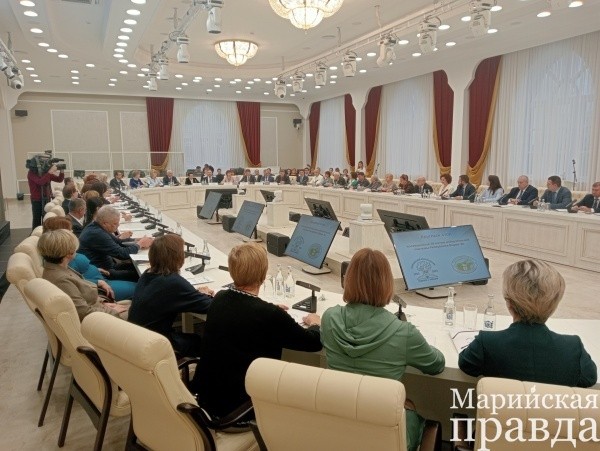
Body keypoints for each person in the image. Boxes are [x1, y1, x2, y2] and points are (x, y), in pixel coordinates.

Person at [321, 249, 445, 451]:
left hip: (338, 431)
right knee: (409, 406)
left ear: (347, 279)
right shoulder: (404, 332)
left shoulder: (329, 318)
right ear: (387, 284)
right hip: (385, 436)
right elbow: (436, 365)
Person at [193, 243, 322, 419]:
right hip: (241, 409)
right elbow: (312, 343)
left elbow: (245, 310)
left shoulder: (220, 298)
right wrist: (315, 323)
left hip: (207, 400)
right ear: (263, 274)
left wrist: (267, 308)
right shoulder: (269, 314)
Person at [459, 259, 597, 387]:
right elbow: (589, 379)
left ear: (509, 303)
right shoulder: (573, 348)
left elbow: (466, 365)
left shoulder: (487, 342)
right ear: (554, 305)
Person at [129, 235, 214, 357]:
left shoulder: (147, 274)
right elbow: (209, 306)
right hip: (157, 345)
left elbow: (175, 295)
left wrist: (195, 294)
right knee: (202, 341)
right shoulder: (172, 282)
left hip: (138, 339)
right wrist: (205, 295)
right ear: (178, 257)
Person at [38, 229, 128, 320]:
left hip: (97, 308)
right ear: (69, 254)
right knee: (136, 311)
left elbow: (82, 298)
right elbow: (83, 312)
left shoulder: (57, 268)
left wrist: (103, 303)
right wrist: (112, 311)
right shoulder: (61, 279)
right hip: (98, 320)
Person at [43, 217, 137, 301]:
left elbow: (76, 275)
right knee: (138, 287)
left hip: (100, 277)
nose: (72, 232)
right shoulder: (63, 257)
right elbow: (75, 282)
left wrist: (96, 269)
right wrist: (97, 282)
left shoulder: (61, 255)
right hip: (100, 287)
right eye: (70, 230)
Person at [78, 206, 153, 282]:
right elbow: (122, 254)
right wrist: (140, 244)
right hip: (103, 272)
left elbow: (118, 241)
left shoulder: (97, 226)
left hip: (108, 265)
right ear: (105, 223)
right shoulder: (97, 233)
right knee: (144, 274)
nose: (118, 226)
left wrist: (136, 240)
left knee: (145, 268)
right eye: (115, 224)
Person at [27, 163, 65, 229]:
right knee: (37, 219)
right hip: (36, 199)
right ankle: (36, 233)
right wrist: (50, 172)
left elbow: (59, 179)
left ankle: (45, 232)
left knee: (46, 218)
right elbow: (40, 182)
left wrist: (61, 171)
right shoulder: (31, 173)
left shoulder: (45, 173)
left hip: (47, 198)